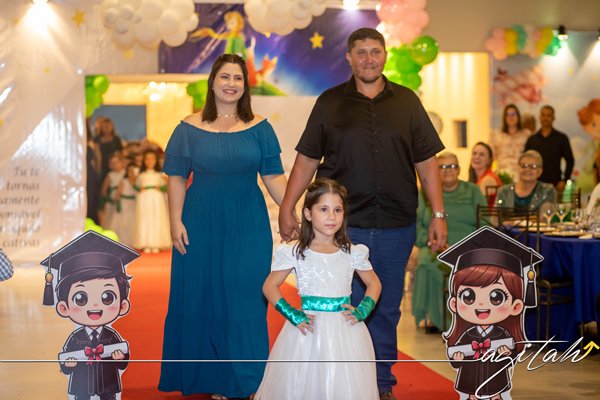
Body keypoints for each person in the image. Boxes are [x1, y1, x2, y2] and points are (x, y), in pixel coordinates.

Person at [278, 27, 447, 399]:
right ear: (349, 58)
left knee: (385, 308)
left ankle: (381, 385)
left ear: (385, 55)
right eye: (361, 52)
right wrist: (287, 207)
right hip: (340, 227)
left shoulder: (407, 101)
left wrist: (438, 214)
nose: (369, 59)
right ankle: (341, 385)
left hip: (396, 224)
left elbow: (427, 162)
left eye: (375, 51)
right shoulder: (329, 102)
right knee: (344, 308)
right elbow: (307, 159)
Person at [158, 53, 288, 400]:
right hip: (199, 224)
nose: (231, 83)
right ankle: (212, 379)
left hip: (248, 225)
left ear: (245, 86)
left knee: (246, 298)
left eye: (238, 78)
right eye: (225, 76)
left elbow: (274, 177)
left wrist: (295, 212)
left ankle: (246, 379)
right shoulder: (188, 127)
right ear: (212, 82)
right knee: (203, 297)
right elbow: (175, 177)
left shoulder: (260, 127)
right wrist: (175, 221)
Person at [256, 178, 381, 399]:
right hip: (307, 330)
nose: (331, 216)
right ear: (307, 213)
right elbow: (269, 286)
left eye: (337, 210)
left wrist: (363, 310)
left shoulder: (352, 252)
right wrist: (292, 314)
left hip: (345, 332)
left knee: (344, 383)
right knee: (305, 383)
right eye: (323, 209)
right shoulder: (295, 252)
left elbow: (374, 284)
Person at [439, 226, 542, 400]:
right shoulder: (467, 335)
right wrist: (457, 358)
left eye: (496, 297)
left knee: (496, 393)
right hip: (470, 378)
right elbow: (456, 362)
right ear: (454, 304)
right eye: (468, 296)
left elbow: (512, 357)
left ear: (516, 306)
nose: (481, 304)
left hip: (496, 380)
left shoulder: (503, 335)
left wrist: (507, 354)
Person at [41, 230, 140, 400]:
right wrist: (68, 365)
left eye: (107, 297)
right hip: (82, 383)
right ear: (64, 307)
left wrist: (120, 358)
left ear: (123, 306)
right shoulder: (76, 338)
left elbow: (123, 361)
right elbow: (65, 363)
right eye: (81, 298)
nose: (95, 306)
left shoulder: (111, 336)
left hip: (107, 383)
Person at [412, 152, 486, 333]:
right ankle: (437, 319)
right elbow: (416, 224)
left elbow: (485, 223)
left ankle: (464, 317)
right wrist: (429, 242)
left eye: (452, 166)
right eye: (442, 167)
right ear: (435, 171)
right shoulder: (425, 192)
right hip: (435, 246)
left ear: (459, 169)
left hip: (468, 246)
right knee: (425, 261)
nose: (448, 170)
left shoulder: (473, 191)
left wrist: (473, 246)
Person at [524, 105, 574, 190]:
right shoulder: (532, 140)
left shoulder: (561, 138)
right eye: (543, 115)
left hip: (555, 185)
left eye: (549, 115)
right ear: (540, 117)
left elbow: (570, 160)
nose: (545, 118)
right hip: (534, 185)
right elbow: (526, 161)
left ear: (553, 118)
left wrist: (564, 180)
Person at [134, 149, 170, 253]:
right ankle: (145, 243)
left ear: (156, 160)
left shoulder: (161, 174)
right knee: (145, 219)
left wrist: (162, 187)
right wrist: (139, 188)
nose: (149, 161)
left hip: (156, 198)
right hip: (144, 199)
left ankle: (157, 243)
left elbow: (168, 186)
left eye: (152, 159)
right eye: (147, 159)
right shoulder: (141, 175)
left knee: (156, 219)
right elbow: (135, 185)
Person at [489, 104, 532, 181]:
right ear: (504, 117)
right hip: (503, 177)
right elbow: (490, 157)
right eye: (508, 114)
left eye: (513, 114)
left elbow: (531, 156)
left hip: (522, 177)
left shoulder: (526, 134)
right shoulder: (496, 135)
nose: (511, 117)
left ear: (518, 116)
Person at [94, 117, 124, 182]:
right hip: (102, 166)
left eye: (109, 126)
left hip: (114, 166)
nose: (107, 128)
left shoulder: (116, 139)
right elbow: (96, 156)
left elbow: (120, 154)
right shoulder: (97, 139)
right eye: (105, 126)